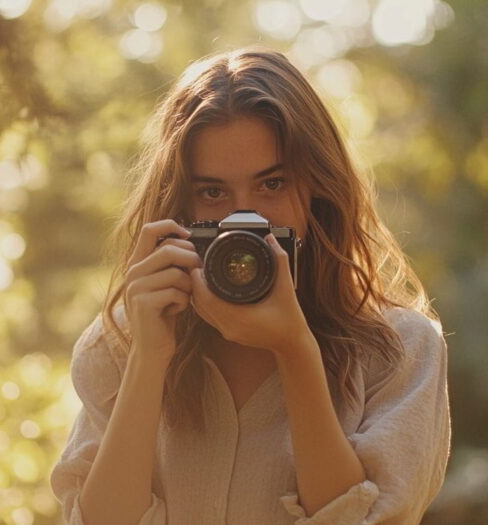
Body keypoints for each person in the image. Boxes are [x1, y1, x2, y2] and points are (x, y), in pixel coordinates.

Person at [50, 46, 451, 525]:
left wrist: (295, 348)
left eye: (272, 184)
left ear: (317, 186)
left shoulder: (398, 351)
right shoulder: (119, 343)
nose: (243, 219)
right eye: (213, 192)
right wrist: (149, 356)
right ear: (180, 205)